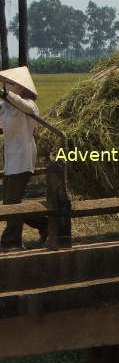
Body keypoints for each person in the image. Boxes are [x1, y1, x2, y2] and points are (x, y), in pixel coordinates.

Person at [0, 66, 48, 250]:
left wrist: (8, 96)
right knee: (13, 201)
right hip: (12, 159)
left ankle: (10, 242)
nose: (7, 87)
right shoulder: (6, 106)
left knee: (11, 203)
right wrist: (6, 99)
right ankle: (45, 225)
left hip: (23, 157)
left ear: (20, 87)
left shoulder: (29, 105)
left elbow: (25, 107)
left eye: (10, 84)